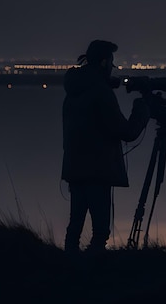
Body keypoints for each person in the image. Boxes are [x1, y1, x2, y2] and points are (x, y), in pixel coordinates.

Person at [61, 40, 150, 255]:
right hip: (98, 170)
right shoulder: (101, 93)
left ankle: (67, 267)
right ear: (103, 62)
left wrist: (108, 84)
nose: (112, 66)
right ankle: (95, 273)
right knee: (100, 231)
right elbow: (125, 131)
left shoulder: (75, 88)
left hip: (75, 167)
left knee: (75, 225)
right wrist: (142, 111)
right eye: (111, 62)